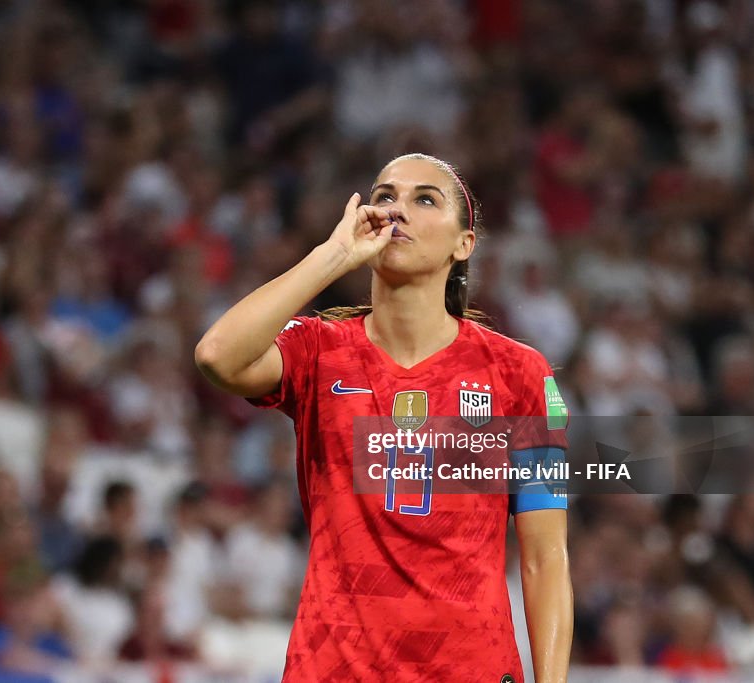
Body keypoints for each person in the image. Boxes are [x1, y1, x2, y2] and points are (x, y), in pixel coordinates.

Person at [196, 153, 572, 681]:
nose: (397, 210)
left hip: (470, 669)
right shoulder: (318, 351)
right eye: (384, 196)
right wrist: (333, 255)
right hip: (334, 667)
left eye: (425, 199)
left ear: (463, 245)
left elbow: (545, 556)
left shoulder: (519, 374)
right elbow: (218, 356)